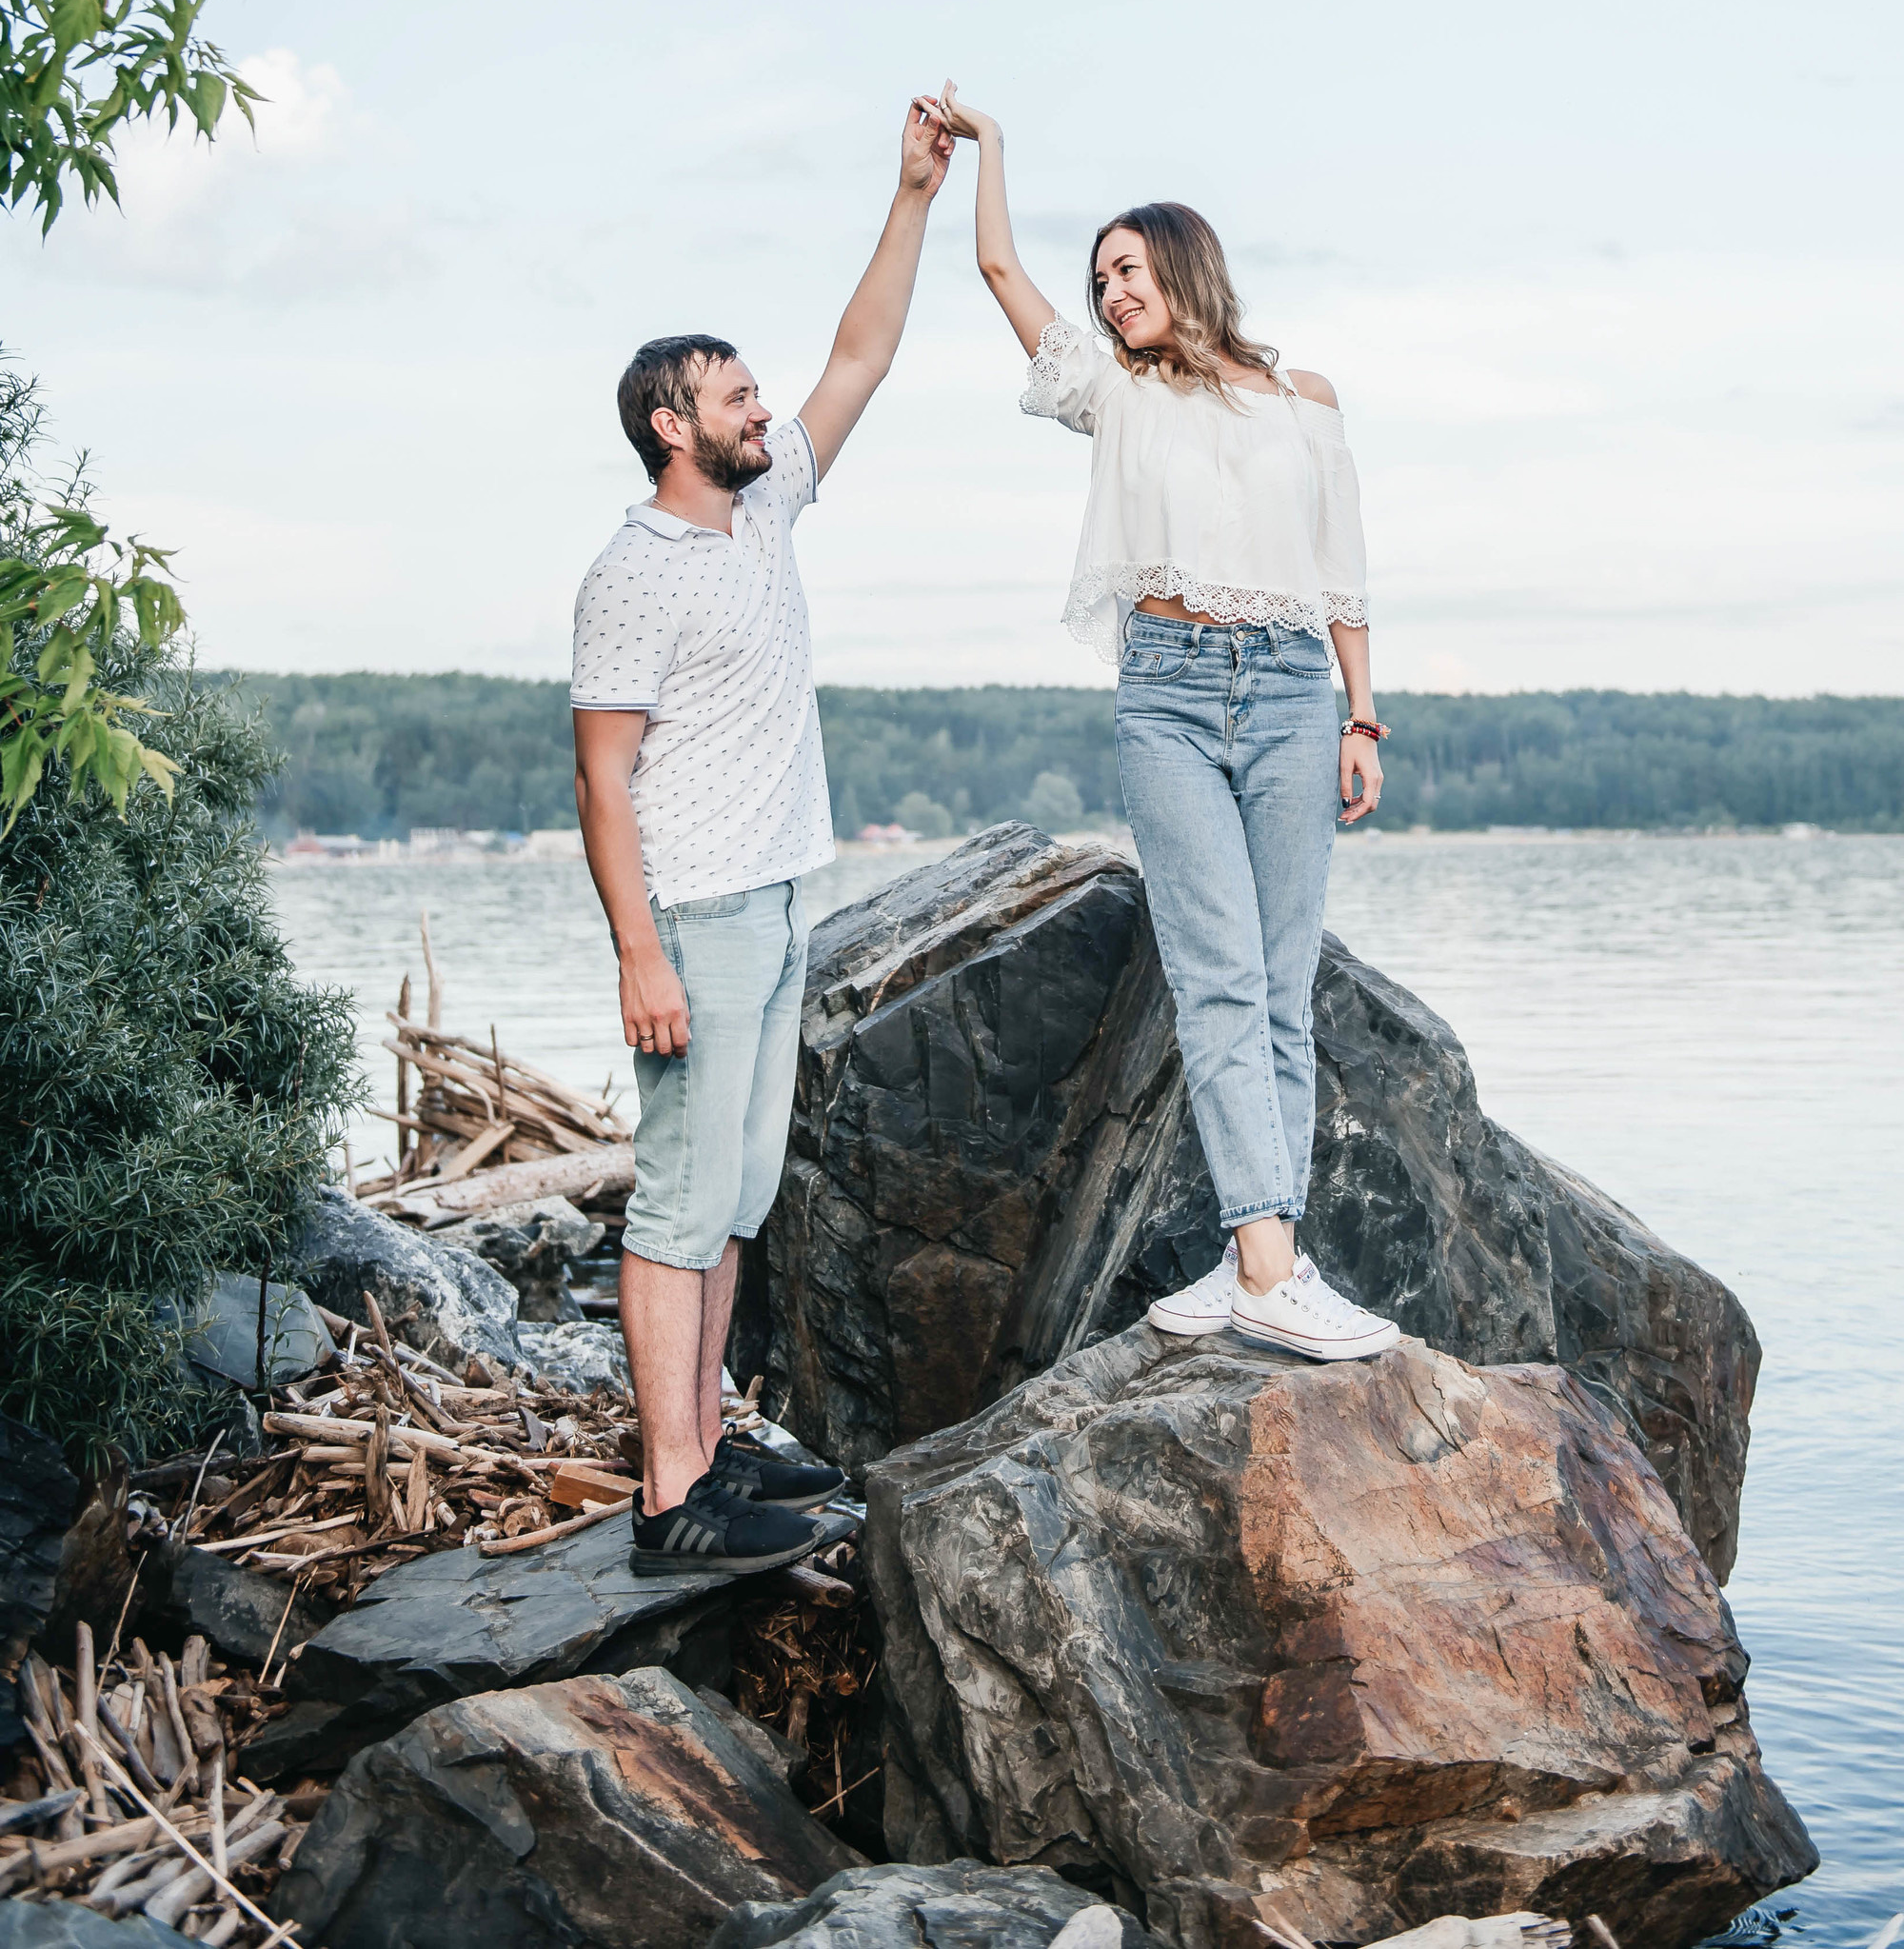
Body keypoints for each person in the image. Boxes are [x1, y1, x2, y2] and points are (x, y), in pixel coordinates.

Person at [933, 83, 1400, 1362]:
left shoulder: (1305, 398)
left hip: (1296, 692)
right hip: (1170, 697)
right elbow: (996, 267)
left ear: (1185, 268)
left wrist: (1364, 719)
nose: (1108, 296)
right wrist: (991, 148)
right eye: (1099, 282)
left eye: (1127, 272)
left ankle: (1261, 1257)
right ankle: (1270, 1267)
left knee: (1283, 991)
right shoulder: (1116, 392)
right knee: (1218, 977)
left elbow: (1343, 569)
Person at [571, 96, 956, 1570]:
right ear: (670, 425)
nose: (762, 410)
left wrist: (911, 195)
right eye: (734, 398)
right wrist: (640, 955)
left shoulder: (771, 506)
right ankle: (671, 1499)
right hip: (697, 916)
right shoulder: (632, 570)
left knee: (733, 1195)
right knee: (679, 1200)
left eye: (754, 395)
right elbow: (602, 782)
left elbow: (864, 353)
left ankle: (707, 1445)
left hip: (782, 896)